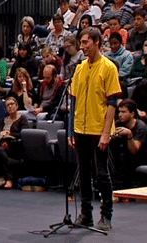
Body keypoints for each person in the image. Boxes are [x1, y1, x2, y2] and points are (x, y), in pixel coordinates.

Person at [69, 27, 121, 231]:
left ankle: (106, 216)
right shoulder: (80, 68)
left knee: (101, 173)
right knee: (83, 173)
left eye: (85, 43)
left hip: (99, 128)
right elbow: (73, 99)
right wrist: (72, 131)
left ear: (97, 42)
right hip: (81, 128)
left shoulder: (108, 67)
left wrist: (106, 132)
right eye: (81, 43)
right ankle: (86, 214)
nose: (82, 47)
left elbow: (113, 102)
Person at [110, 99, 147, 189]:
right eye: (119, 112)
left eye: (123, 112)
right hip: (124, 152)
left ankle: (118, 187)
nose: (120, 115)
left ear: (132, 114)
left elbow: (134, 151)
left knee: (124, 156)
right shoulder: (119, 124)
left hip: (141, 156)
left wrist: (129, 135)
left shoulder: (140, 127)